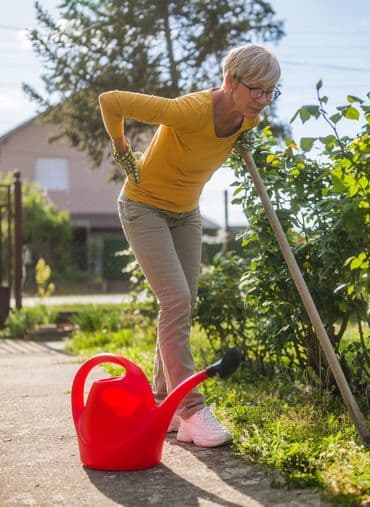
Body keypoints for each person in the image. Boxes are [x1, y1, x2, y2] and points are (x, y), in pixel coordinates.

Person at [98, 44, 281, 448]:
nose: (264, 100)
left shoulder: (246, 121)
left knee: (184, 303)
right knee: (176, 300)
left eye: (271, 92)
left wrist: (241, 142)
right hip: (143, 207)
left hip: (187, 213)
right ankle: (193, 410)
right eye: (257, 90)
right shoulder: (189, 110)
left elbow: (217, 144)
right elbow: (111, 101)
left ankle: (164, 404)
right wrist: (122, 147)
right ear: (230, 81)